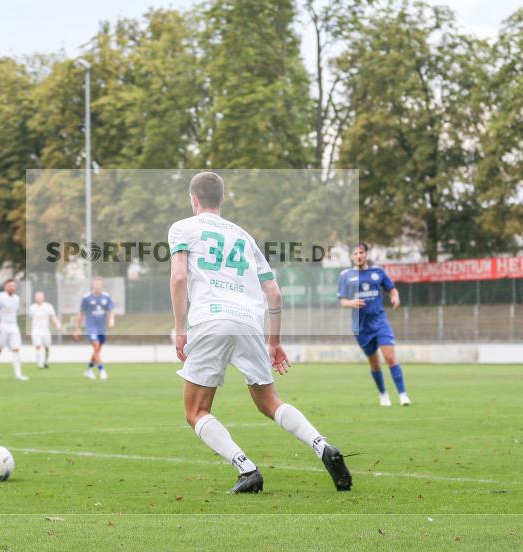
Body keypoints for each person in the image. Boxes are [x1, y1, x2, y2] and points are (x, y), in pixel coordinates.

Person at [169, 171, 352, 494]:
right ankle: (322, 446)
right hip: (249, 323)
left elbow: (179, 277)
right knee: (270, 402)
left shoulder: (182, 228)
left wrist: (180, 328)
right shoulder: (245, 237)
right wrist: (274, 341)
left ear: (193, 199)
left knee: (196, 411)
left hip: (211, 320)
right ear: (222, 199)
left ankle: (247, 469)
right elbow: (275, 294)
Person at [338, 242, 410, 406]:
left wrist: (395, 297)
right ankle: (383, 394)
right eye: (355, 253)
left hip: (379, 322)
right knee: (375, 363)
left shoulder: (378, 272)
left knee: (390, 357)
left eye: (361, 252)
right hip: (361, 326)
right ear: (351, 256)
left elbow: (392, 289)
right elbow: (342, 301)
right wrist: (351, 303)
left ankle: (403, 394)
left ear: (366, 254)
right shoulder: (345, 275)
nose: (359, 256)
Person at [73, 277, 115, 380]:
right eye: (96, 284)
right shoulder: (86, 298)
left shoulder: (106, 297)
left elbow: (111, 309)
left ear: (102, 285)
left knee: (97, 350)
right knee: (96, 346)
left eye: (99, 284)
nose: (98, 286)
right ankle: (102, 370)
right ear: (93, 285)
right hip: (91, 327)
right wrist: (77, 329)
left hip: (101, 328)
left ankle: (89, 370)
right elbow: (81, 314)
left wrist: (111, 319)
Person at [0, 279, 29, 382]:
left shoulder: (17, 298)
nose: (12, 287)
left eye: (13, 286)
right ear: (5, 286)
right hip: (2, 325)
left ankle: (18, 374)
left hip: (14, 326)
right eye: (10, 285)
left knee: (16, 349)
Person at [29, 291, 61, 369]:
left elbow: (53, 316)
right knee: (38, 346)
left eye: (40, 296)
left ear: (43, 297)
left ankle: (46, 361)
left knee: (47, 347)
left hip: (45, 330)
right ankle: (40, 363)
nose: (39, 298)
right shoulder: (32, 308)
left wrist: (57, 324)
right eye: (37, 297)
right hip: (36, 330)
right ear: (35, 298)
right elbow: (30, 319)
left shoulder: (48, 306)